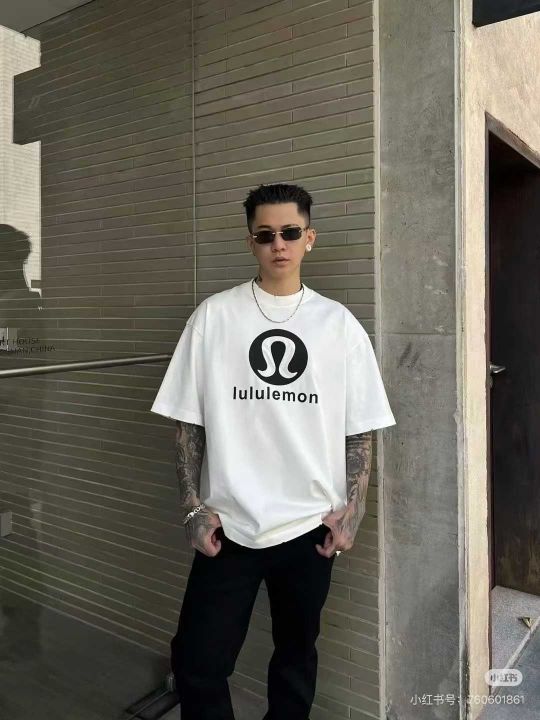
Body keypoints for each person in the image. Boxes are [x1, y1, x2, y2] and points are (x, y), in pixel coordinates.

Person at [150, 183, 396, 720]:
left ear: (309, 238)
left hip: (309, 526)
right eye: (265, 235)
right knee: (197, 662)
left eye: (289, 232)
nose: (278, 244)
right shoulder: (214, 317)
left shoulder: (339, 325)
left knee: (295, 657)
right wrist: (193, 509)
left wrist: (353, 511)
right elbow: (188, 424)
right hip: (229, 525)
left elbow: (360, 431)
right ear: (251, 242)